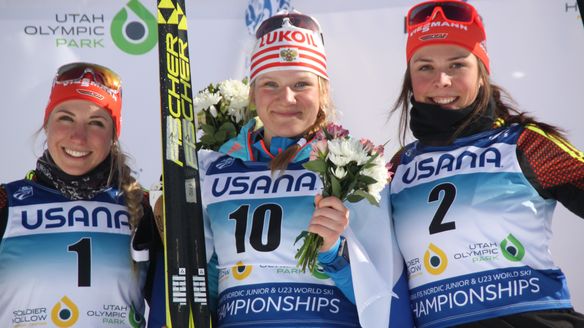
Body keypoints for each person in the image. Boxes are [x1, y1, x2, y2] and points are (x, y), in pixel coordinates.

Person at [189, 10, 412, 328]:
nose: (287, 97)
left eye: (301, 84)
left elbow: (384, 301)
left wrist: (333, 252)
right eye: (271, 84)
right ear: (252, 94)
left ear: (323, 93)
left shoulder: (351, 170)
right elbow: (203, 291)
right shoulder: (212, 170)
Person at [388, 1, 584, 327]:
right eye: (424, 67)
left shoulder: (525, 143)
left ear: (481, 74)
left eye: (457, 65)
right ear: (410, 79)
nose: (442, 80)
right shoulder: (397, 166)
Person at [0, 62, 161, 327]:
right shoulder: (6, 203)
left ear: (113, 135)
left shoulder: (143, 209)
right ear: (47, 123)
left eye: (96, 123)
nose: (78, 137)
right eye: (66, 118)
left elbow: (169, 312)